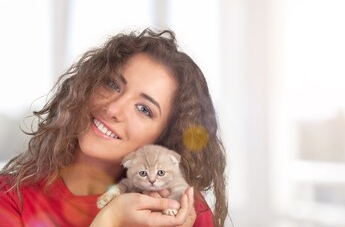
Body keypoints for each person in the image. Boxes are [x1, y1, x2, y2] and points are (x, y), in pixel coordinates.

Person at [0, 28, 228, 226]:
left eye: (144, 109)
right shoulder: (10, 197)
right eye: (112, 84)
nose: (114, 109)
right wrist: (111, 218)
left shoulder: (184, 210)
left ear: (163, 138)